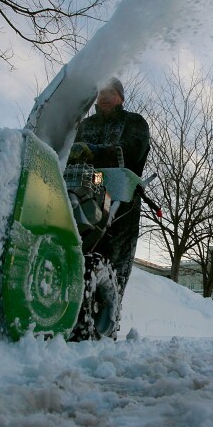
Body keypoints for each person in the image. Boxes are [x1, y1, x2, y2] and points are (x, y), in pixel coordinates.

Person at [67, 77, 150, 297]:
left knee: (115, 259)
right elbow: (68, 152)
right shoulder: (85, 125)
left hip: (121, 199)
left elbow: (132, 150)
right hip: (82, 193)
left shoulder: (134, 122)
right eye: (102, 92)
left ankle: (109, 307)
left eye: (111, 92)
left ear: (121, 97)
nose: (105, 97)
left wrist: (95, 151)